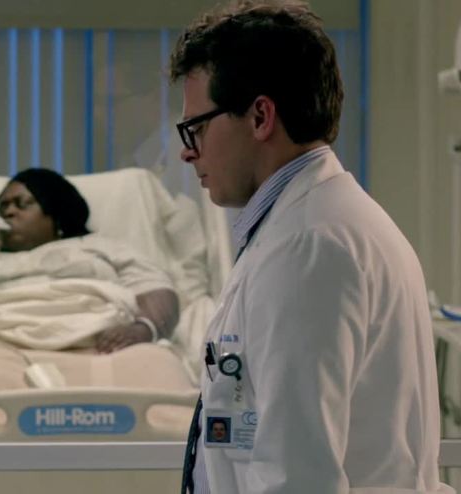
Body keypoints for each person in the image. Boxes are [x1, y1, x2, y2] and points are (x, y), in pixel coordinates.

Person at [169, 1, 452, 493]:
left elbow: (298, 479)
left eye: (199, 127)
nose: (187, 151)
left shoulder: (309, 246)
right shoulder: (311, 225)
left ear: (260, 116)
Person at [0, 167, 180, 359]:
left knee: (158, 370)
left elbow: (155, 289)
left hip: (101, 346)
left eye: (22, 203)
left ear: (56, 214)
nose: (8, 212)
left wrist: (142, 329)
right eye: (3, 206)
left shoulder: (96, 247)